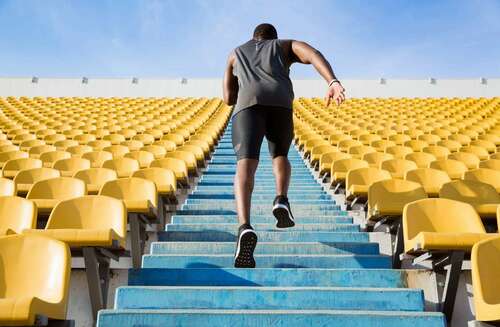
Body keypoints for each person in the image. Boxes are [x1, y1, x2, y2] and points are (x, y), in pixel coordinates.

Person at [222, 23, 345, 268]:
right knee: (280, 155)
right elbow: (312, 54)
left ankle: (245, 226)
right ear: (273, 38)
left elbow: (228, 98)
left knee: (245, 165)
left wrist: (244, 80)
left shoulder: (236, 53)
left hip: (248, 105)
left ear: (253, 37)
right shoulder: (285, 45)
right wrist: (332, 81)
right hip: (280, 101)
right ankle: (281, 198)